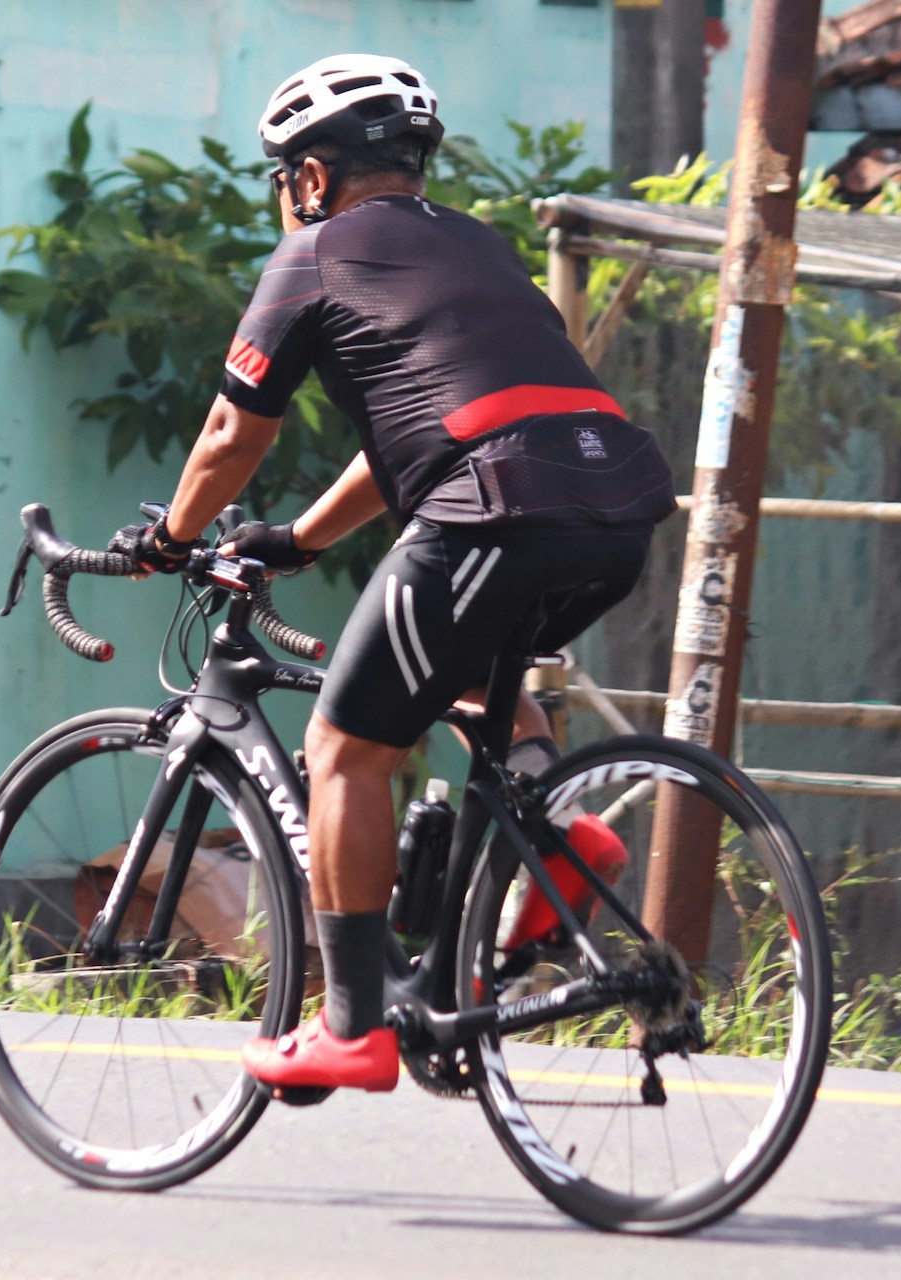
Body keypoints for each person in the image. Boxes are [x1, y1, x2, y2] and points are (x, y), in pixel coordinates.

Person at [112, 54, 677, 1094]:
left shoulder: (316, 253)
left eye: (285, 178)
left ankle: (352, 1024)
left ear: (314, 178)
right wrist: (307, 539)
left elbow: (235, 428)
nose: (288, 198)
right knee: (465, 684)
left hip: (488, 516)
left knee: (344, 748)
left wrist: (169, 536)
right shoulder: (475, 245)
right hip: (613, 508)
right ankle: (563, 827)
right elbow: (409, 434)